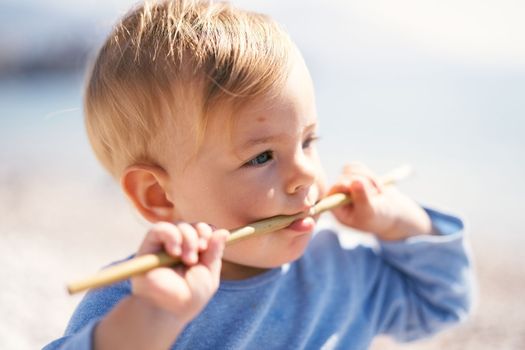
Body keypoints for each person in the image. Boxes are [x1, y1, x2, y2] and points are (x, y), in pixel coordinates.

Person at [44, 1, 474, 349]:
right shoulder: (141, 301)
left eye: (308, 141)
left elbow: (442, 304)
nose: (304, 174)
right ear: (158, 195)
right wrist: (150, 323)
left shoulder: (340, 270)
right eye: (262, 157)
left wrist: (403, 225)